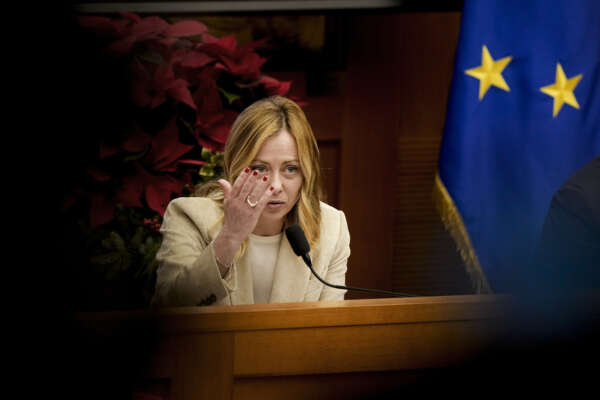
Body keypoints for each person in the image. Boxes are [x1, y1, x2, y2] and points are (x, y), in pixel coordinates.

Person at [152, 96, 350, 307]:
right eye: (260, 169)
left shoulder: (332, 227)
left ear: (306, 173)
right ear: (237, 168)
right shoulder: (189, 216)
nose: (275, 185)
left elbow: (331, 326)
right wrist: (230, 236)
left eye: (290, 169)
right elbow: (168, 311)